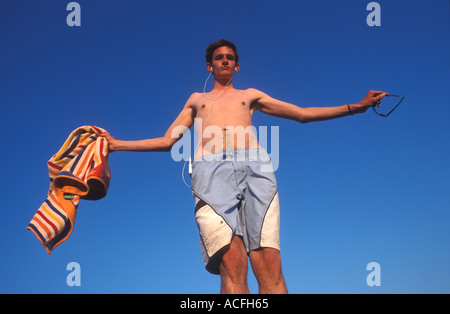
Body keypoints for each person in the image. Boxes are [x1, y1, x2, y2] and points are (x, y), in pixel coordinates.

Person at [100, 39, 388, 294]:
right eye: (219, 57)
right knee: (231, 261)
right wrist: (116, 144)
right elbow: (167, 141)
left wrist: (356, 107)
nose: (225, 60)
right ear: (209, 66)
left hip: (256, 167)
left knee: (268, 260)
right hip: (209, 171)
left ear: (236, 66)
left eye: (230, 57)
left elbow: (302, 114)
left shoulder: (249, 95)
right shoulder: (197, 100)